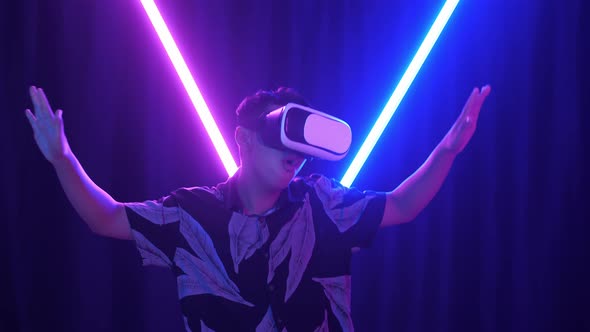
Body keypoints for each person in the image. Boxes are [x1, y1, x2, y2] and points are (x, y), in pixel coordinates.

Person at [25, 84, 491, 331]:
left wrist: (448, 149)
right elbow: (104, 217)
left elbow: (402, 205)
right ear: (244, 140)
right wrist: (64, 159)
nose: (295, 153)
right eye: (282, 135)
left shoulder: (323, 203)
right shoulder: (191, 215)